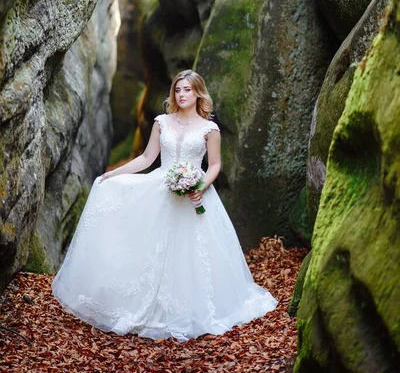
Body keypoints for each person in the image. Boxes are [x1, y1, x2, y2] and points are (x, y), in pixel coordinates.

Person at [52, 70, 278, 341]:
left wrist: (200, 186)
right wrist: (115, 173)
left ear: (198, 93)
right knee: (149, 249)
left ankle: (188, 308)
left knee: (192, 255)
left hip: (195, 194)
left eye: (187, 90)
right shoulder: (162, 122)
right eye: (178, 90)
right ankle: (143, 305)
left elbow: (215, 165)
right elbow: (147, 158)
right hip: (161, 189)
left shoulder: (210, 129)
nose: (182, 95)